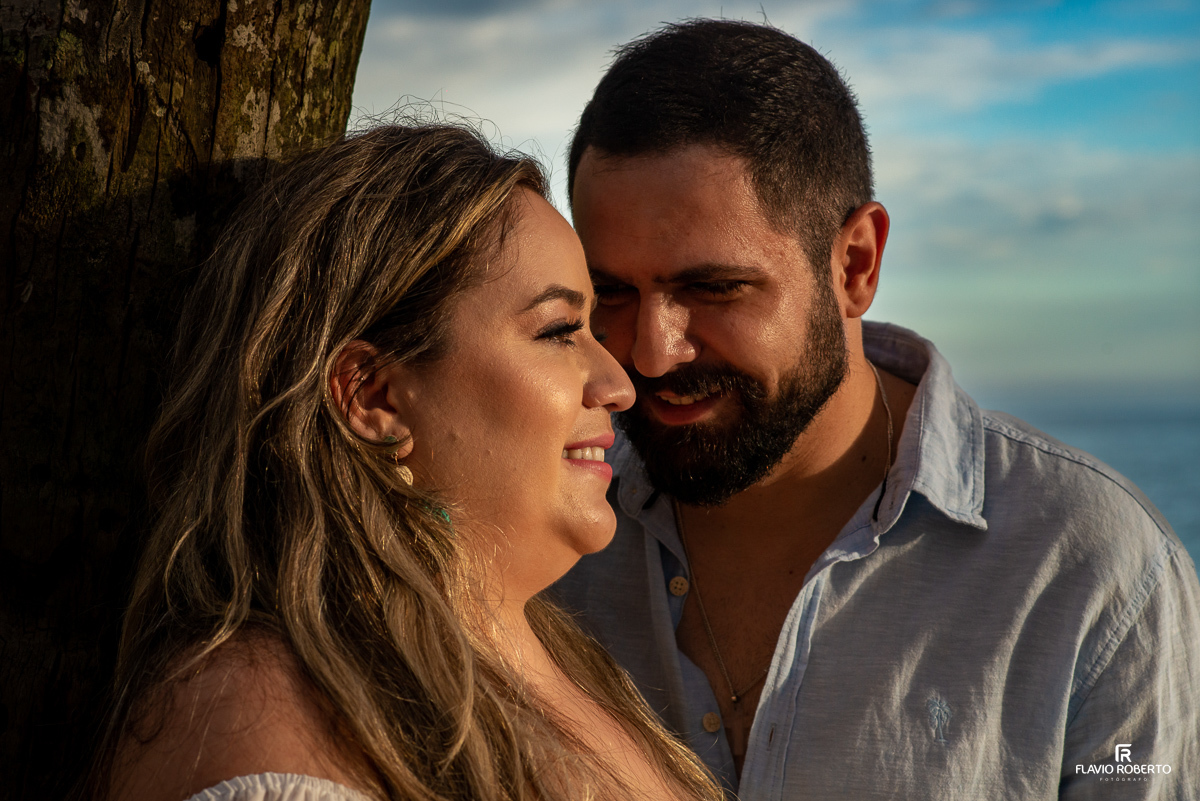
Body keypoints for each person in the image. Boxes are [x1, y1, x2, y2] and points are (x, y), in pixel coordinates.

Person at [553, 19, 1200, 800]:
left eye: (714, 288)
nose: (651, 354)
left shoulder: (1091, 572)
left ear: (855, 264)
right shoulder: (546, 541)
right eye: (611, 293)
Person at [87, 124, 726, 801]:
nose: (619, 383)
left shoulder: (562, 665)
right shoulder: (266, 720)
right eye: (559, 332)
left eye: (593, 329)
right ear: (375, 396)